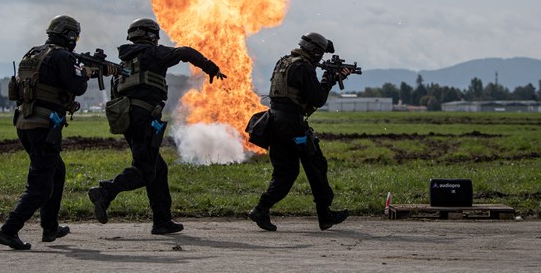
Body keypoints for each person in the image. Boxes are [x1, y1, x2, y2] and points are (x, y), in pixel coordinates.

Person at [87, 18, 226, 235]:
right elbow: (185, 52)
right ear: (151, 36)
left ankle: (162, 221)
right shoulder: (152, 54)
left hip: (128, 120)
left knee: (157, 169)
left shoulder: (126, 61)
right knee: (145, 171)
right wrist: (209, 66)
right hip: (144, 119)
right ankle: (106, 191)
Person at [0, 15, 101, 250]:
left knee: (56, 172)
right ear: (70, 36)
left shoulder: (35, 53)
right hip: (44, 126)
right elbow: (78, 87)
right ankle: (9, 230)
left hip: (25, 122)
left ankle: (50, 228)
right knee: (41, 185)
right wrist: (85, 73)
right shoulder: (63, 56)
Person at [248, 32, 354, 232]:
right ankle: (325, 215)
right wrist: (328, 80)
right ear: (314, 51)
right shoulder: (303, 67)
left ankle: (261, 208)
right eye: (319, 54)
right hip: (293, 128)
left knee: (285, 172)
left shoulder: (284, 62)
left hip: (275, 123)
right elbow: (318, 99)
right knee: (316, 166)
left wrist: (328, 78)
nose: (320, 59)